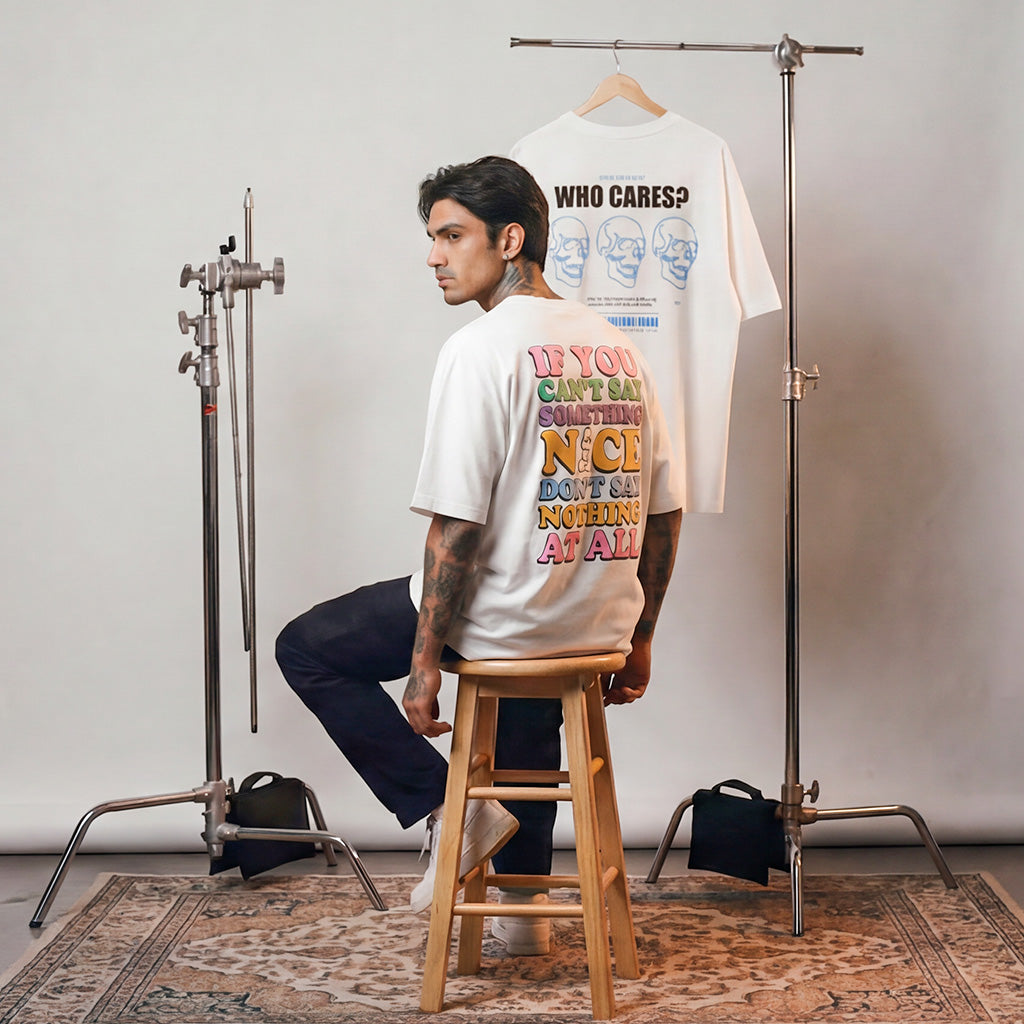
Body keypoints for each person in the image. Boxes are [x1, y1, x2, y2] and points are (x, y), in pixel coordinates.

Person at [276, 156, 683, 956]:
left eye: (452, 235)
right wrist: (639, 637)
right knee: (530, 647)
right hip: (591, 622)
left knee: (309, 648)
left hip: (509, 617)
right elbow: (664, 520)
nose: (434, 256)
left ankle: (449, 811)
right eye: (432, 237)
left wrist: (424, 663)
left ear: (510, 238)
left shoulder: (481, 348)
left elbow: (455, 530)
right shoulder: (619, 348)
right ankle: (526, 910)